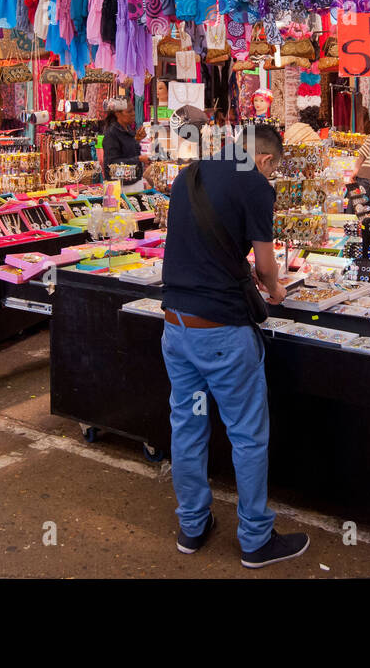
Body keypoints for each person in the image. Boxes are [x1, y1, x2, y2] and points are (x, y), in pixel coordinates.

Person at [160, 124, 309, 569]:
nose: (272, 177)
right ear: (265, 160)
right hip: (221, 333)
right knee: (246, 434)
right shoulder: (254, 184)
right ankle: (256, 540)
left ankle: (192, 525)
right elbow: (265, 268)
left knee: (188, 425)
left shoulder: (188, 175)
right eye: (274, 169)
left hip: (176, 326)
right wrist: (278, 291)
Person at [100, 98, 147, 188]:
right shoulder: (111, 134)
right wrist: (139, 159)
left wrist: (137, 140)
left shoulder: (128, 130)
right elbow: (111, 164)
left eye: (133, 110)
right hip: (120, 186)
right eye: (129, 111)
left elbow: (129, 153)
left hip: (133, 182)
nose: (133, 113)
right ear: (118, 114)